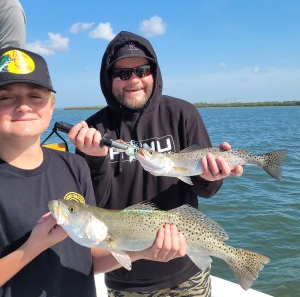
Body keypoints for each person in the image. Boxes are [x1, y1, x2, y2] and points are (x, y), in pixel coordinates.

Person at [68, 31, 244, 296]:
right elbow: (93, 210)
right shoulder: (93, 131)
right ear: (109, 79)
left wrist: (210, 177)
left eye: (142, 70)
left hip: (187, 270)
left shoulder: (183, 113)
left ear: (154, 72)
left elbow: (207, 190)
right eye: (122, 74)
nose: (134, 80)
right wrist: (94, 160)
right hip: (125, 278)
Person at [0, 47, 185, 297]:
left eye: (35, 96)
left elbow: (88, 259)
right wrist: (33, 247)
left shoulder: (74, 166)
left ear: (52, 106)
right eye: (5, 98)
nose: (23, 106)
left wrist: (141, 252)